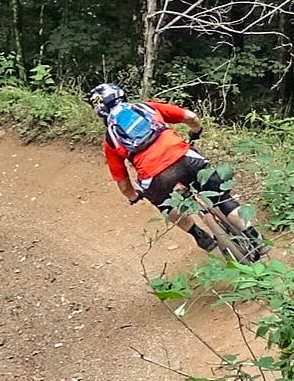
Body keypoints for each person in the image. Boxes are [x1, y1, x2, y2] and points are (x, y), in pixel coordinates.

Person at [85, 83, 263, 257]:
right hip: (186, 159)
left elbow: (123, 184)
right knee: (222, 198)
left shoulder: (110, 139)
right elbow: (190, 116)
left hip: (155, 178)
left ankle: (199, 236)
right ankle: (255, 237)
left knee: (165, 205)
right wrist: (196, 131)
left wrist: (133, 196)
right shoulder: (148, 108)